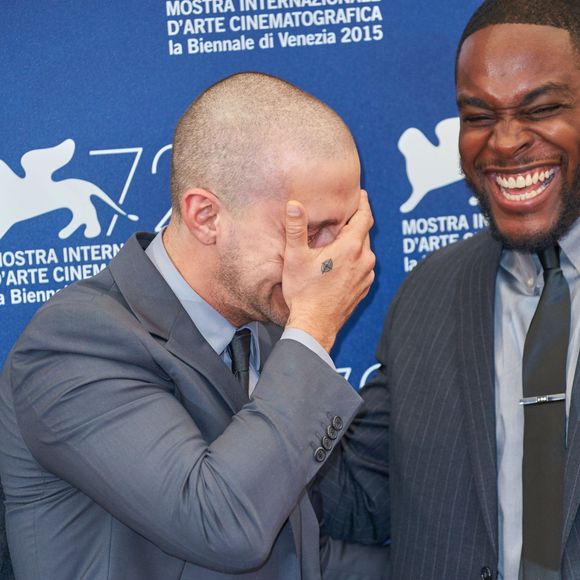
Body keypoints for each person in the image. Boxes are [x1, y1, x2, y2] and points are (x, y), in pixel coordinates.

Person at [0, 73, 376, 579]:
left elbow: (305, 552)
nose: (329, 260)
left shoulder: (259, 329)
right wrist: (312, 329)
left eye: (344, 228)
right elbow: (222, 525)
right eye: (310, 232)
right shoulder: (72, 345)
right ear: (205, 216)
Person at [317, 1, 580, 578]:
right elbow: (361, 499)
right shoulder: (429, 292)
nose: (505, 142)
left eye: (542, 108)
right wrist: (279, 336)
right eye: (479, 116)